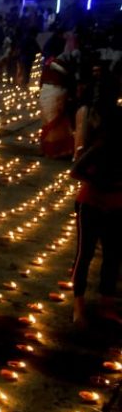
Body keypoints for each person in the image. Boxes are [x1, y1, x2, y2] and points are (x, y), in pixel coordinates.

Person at [70, 71, 122, 325]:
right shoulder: (101, 145)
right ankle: (78, 306)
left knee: (113, 255)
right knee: (85, 254)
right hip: (91, 203)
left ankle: (106, 304)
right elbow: (75, 170)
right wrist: (99, 182)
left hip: (116, 205)